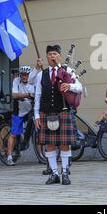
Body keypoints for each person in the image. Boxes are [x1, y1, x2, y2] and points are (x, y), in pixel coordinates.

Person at [33, 45, 82, 185]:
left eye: (55, 54)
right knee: (49, 144)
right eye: (50, 54)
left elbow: (79, 87)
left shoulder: (67, 71)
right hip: (46, 112)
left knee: (64, 144)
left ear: (59, 56)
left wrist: (70, 86)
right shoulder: (41, 74)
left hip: (63, 112)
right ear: (47, 57)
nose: (52, 56)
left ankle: (65, 173)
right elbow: (38, 95)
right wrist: (36, 115)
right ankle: (54, 174)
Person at [5, 65, 35, 166]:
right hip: (19, 110)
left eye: (26, 75)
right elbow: (14, 95)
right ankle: (9, 157)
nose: (24, 77)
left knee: (36, 130)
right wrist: (29, 95)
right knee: (14, 134)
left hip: (30, 109)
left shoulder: (33, 81)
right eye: (22, 75)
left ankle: (42, 156)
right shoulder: (16, 81)